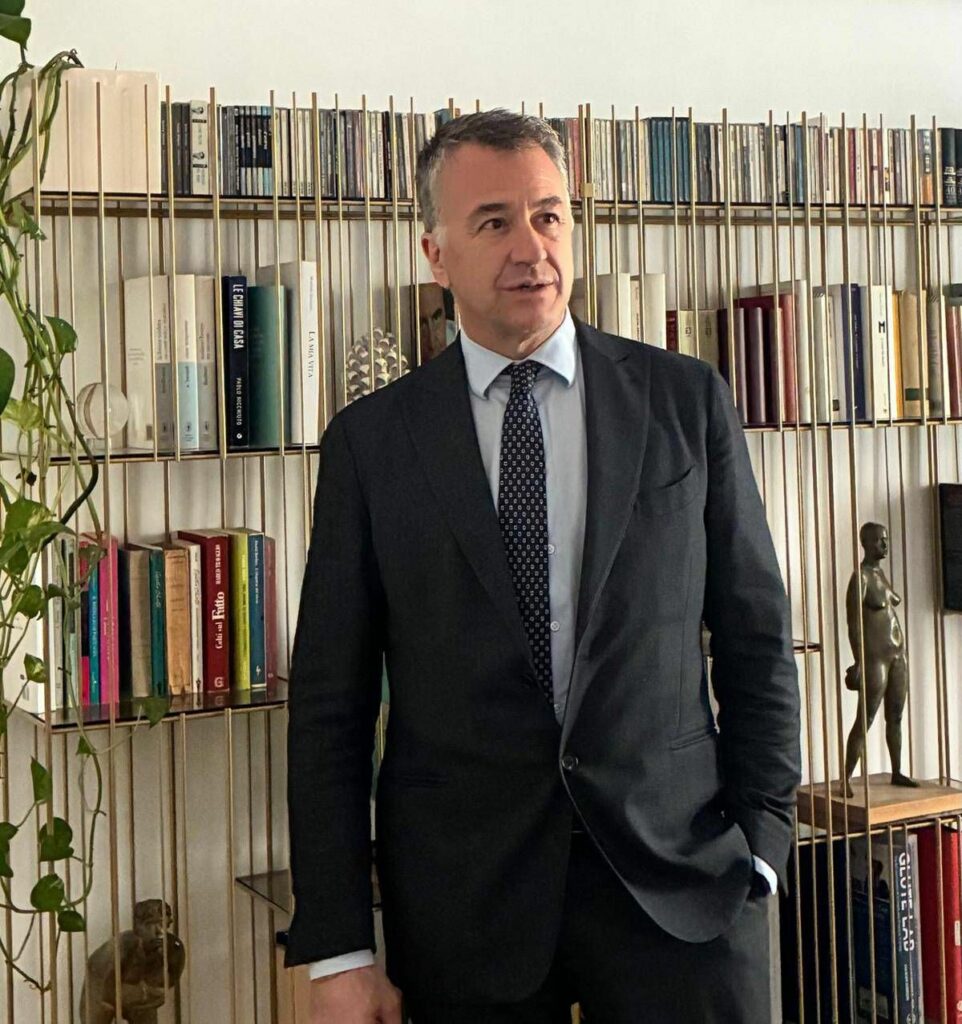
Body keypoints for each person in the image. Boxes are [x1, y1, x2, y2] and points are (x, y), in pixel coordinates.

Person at [285, 109, 801, 1024]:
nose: (531, 248)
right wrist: (338, 950)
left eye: (549, 215)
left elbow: (756, 634)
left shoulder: (685, 400)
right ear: (435, 254)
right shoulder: (372, 444)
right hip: (464, 909)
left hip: (683, 892)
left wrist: (763, 841)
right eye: (493, 222)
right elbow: (332, 706)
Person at [841, 521, 917, 798]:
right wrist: (858, 660)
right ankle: (846, 778)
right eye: (879, 540)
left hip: (898, 654)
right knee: (866, 718)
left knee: (895, 715)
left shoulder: (880, 574)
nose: (885, 545)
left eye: (886, 539)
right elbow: (853, 624)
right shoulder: (860, 578)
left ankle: (897, 770)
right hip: (876, 659)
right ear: (865, 543)